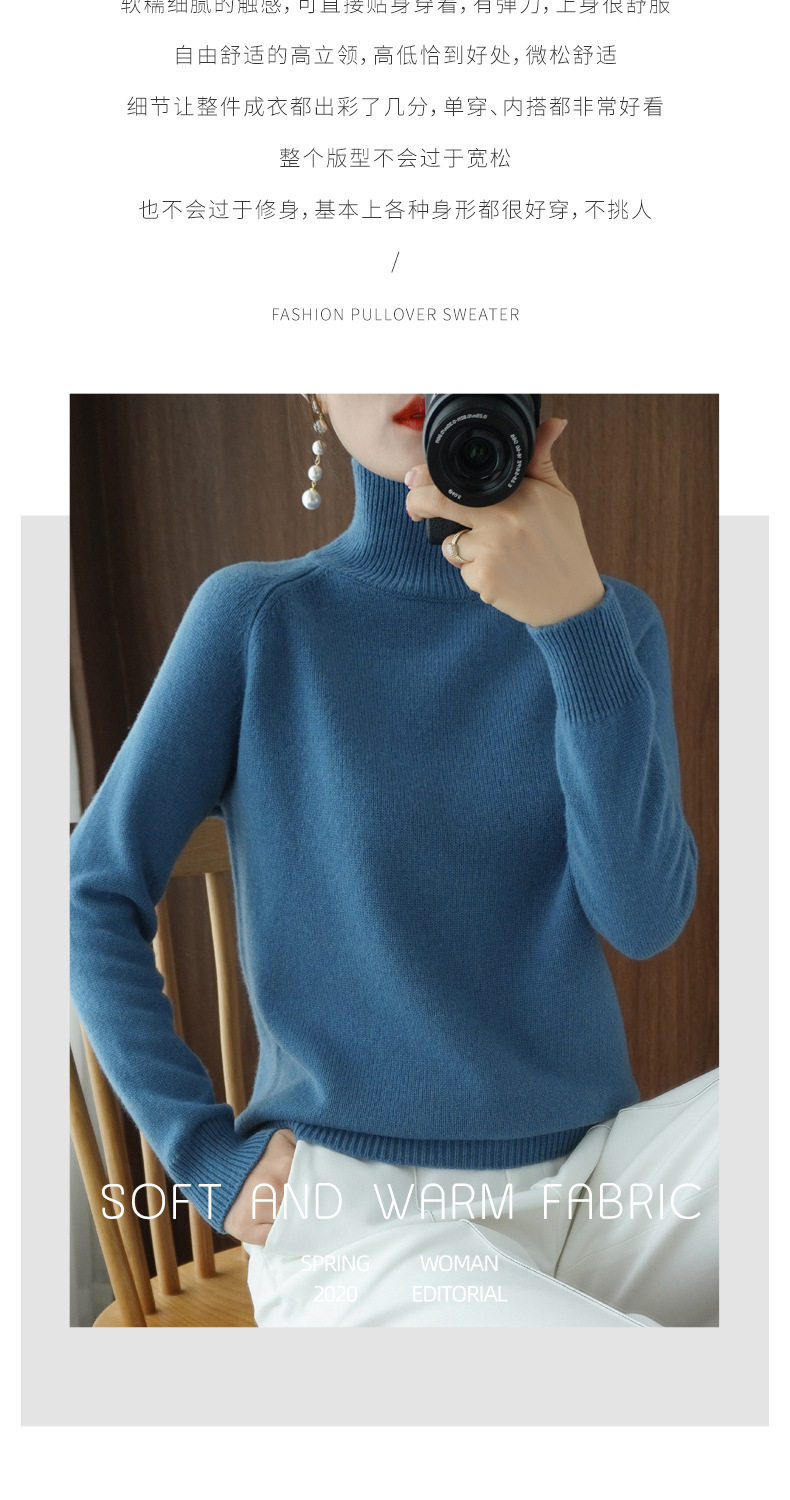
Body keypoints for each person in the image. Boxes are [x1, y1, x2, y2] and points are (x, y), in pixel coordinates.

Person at [70, 394, 718, 1328]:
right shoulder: (259, 619)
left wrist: (575, 626)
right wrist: (205, 1158)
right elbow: (91, 889)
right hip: (363, 1219)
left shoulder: (612, 623)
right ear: (313, 386)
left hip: (601, 1187)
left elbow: (644, 919)